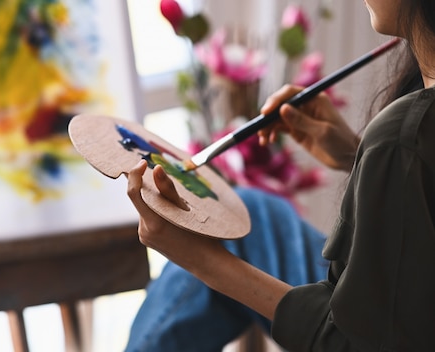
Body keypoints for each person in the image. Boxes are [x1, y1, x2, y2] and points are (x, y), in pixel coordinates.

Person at [123, 0, 435, 350]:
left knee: (236, 236)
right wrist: (356, 152)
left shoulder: (404, 134)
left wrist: (202, 259)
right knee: (255, 211)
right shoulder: (406, 137)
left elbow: (356, 344)